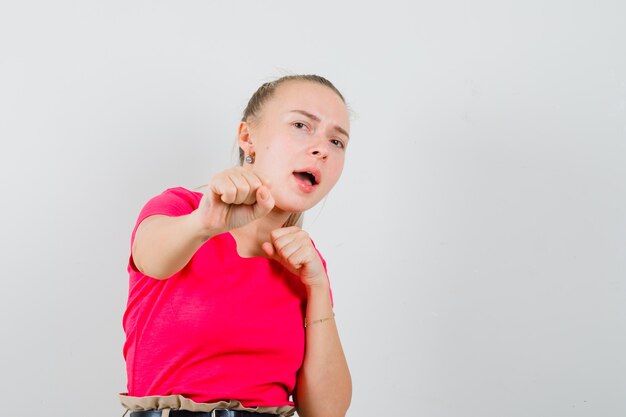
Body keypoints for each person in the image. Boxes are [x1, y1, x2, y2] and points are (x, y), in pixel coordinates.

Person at [120, 75, 352, 417]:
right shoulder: (181, 209)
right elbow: (150, 258)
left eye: (337, 141)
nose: (322, 149)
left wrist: (317, 287)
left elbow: (326, 412)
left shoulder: (305, 265)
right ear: (248, 137)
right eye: (301, 125)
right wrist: (205, 224)